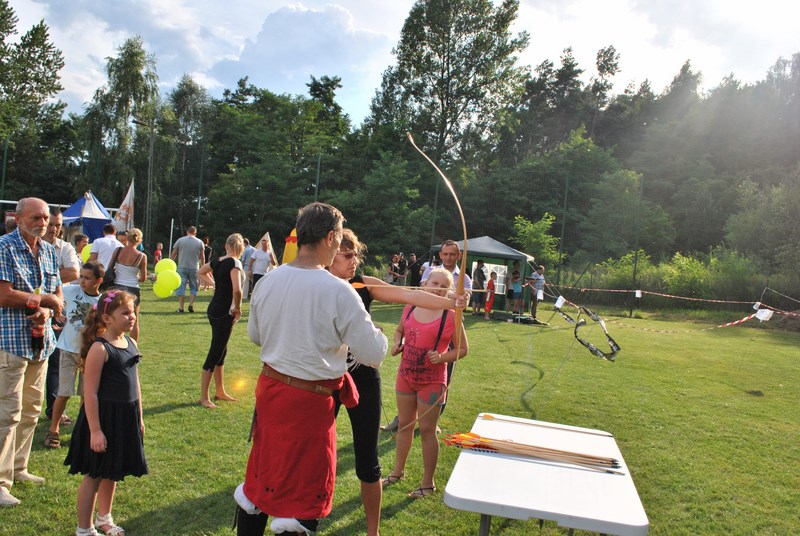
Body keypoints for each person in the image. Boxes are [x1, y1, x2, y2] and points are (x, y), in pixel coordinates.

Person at [235, 202, 388, 536]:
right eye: (339, 238)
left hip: (272, 393)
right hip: (308, 404)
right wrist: (378, 333)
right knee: (300, 495)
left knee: (263, 478)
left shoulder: (270, 280)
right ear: (330, 238)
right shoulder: (339, 291)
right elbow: (373, 352)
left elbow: (256, 335)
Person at [328, 229, 466, 536]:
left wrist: (451, 301)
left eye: (356, 255)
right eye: (347, 255)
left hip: (362, 376)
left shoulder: (361, 283)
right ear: (329, 253)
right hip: (324, 376)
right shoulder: (317, 283)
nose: (354, 261)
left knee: (368, 455)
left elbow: (409, 295)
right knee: (318, 447)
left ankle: (373, 531)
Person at [65, 290, 147, 536]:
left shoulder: (131, 343)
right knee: (94, 475)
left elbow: (136, 384)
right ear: (107, 318)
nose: (131, 317)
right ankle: (84, 529)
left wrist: (139, 418)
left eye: (133, 312)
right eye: (125, 313)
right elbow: (89, 393)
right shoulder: (100, 349)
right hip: (103, 419)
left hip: (124, 418)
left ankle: (104, 518)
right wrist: (95, 430)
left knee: (112, 471)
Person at [382, 268, 468, 499]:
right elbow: (399, 330)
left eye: (443, 286)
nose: (438, 288)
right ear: (425, 284)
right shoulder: (410, 306)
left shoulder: (451, 315)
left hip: (432, 382)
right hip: (405, 376)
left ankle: (428, 483)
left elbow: (462, 349)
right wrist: (397, 343)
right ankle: (397, 472)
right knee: (405, 425)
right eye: (434, 283)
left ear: (449, 291)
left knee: (428, 431)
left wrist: (442, 357)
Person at [0, 197, 65, 507]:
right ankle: (1, 482)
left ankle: (18, 467)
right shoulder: (5, 247)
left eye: (46, 218)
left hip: (41, 344)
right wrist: (41, 302)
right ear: (18, 218)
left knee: (31, 410)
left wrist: (47, 311)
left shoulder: (49, 251)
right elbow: (3, 294)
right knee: (7, 414)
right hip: (11, 343)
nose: (43, 223)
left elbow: (57, 294)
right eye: (36, 217)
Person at [45, 262, 104, 449]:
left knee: (87, 395)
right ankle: (53, 430)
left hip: (89, 354)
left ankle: (81, 431)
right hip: (67, 350)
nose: (82, 281)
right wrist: (56, 312)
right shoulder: (71, 291)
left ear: (99, 280)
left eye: (87, 278)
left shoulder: (102, 302)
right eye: (81, 277)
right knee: (63, 393)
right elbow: (54, 295)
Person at [43, 208, 81, 425]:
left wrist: (42, 278)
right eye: (51, 224)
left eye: (58, 225)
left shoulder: (64, 247)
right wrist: (57, 275)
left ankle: (53, 409)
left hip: (57, 310)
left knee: (55, 363)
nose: (54, 229)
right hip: (29, 309)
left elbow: (74, 272)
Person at [197, 233, 244, 409]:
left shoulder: (217, 261)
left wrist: (213, 284)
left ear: (226, 245)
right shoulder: (235, 263)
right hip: (224, 312)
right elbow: (237, 290)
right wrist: (237, 308)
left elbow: (201, 271)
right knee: (215, 352)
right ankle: (204, 397)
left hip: (214, 309)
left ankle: (220, 391)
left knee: (221, 351)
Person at [111, 228, 147, 341]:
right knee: (134, 320)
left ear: (127, 238)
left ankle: (113, 342)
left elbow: (109, 268)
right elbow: (143, 278)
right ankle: (133, 347)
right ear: (139, 240)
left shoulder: (118, 251)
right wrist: (135, 277)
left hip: (117, 287)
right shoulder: (142, 256)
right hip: (133, 288)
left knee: (114, 317)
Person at [171, 226, 205, 313]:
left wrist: (170, 264)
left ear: (187, 232)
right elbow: (202, 257)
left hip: (182, 267)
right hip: (194, 268)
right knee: (194, 287)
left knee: (181, 287)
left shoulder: (180, 240)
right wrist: (203, 267)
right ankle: (191, 305)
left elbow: (174, 254)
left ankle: (181, 308)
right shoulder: (200, 242)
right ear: (195, 232)